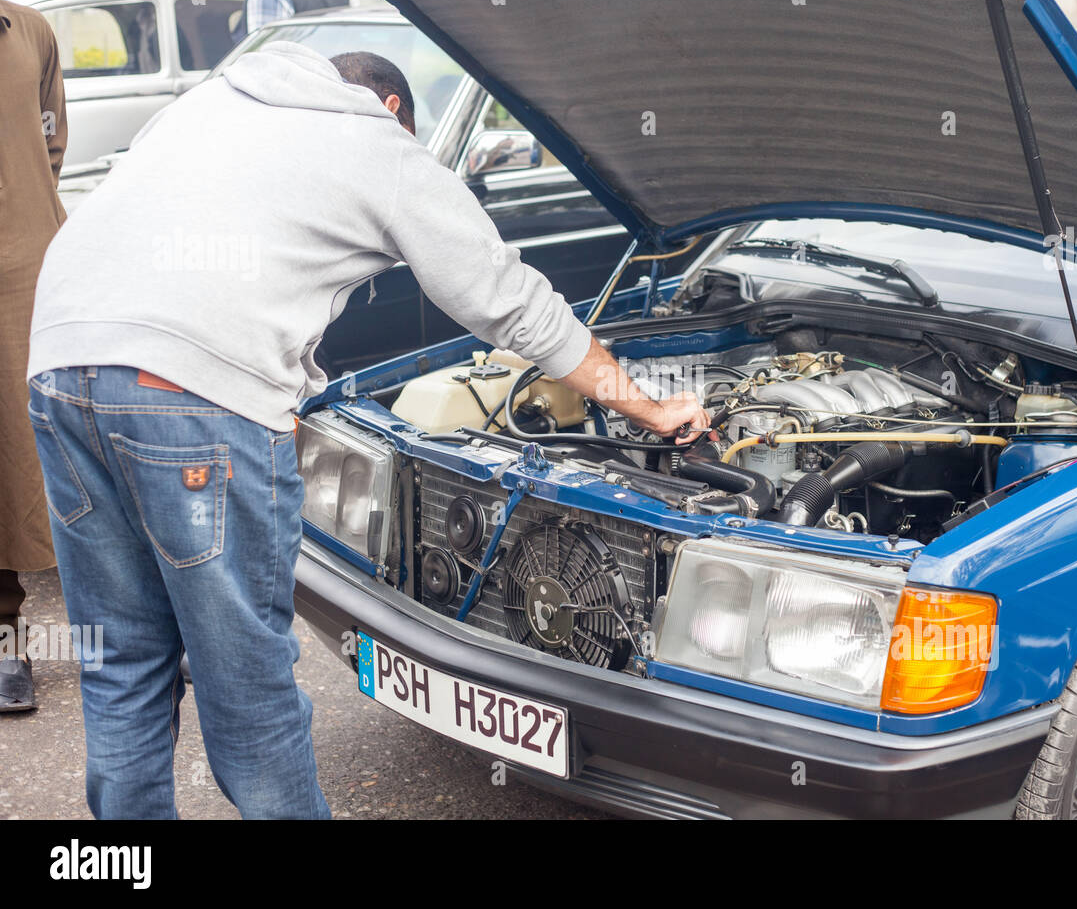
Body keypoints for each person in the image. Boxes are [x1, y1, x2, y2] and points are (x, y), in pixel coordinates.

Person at [28, 43, 708, 819]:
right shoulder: (377, 145)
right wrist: (650, 408)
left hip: (60, 364)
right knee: (246, 684)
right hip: (189, 398)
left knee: (120, 665)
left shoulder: (210, 103)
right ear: (392, 109)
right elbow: (506, 300)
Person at [0, 0, 67, 713]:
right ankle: (6, 642)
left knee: (56, 442)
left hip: (29, 268)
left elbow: (51, 140)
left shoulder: (30, 30)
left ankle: (130, 640)